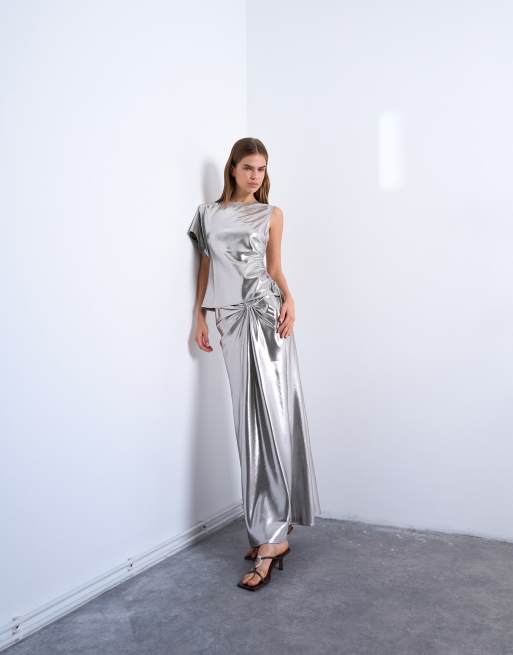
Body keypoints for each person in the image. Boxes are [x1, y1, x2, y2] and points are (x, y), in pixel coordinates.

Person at [187, 137, 321, 591]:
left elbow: (274, 268)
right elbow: (206, 267)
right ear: (232, 168)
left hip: (266, 314)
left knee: (273, 420)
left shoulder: (271, 214)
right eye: (248, 167)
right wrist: (201, 315)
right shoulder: (207, 214)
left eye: (261, 169)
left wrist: (291, 300)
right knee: (248, 424)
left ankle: (272, 536)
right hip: (229, 319)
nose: (254, 176)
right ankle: (269, 528)